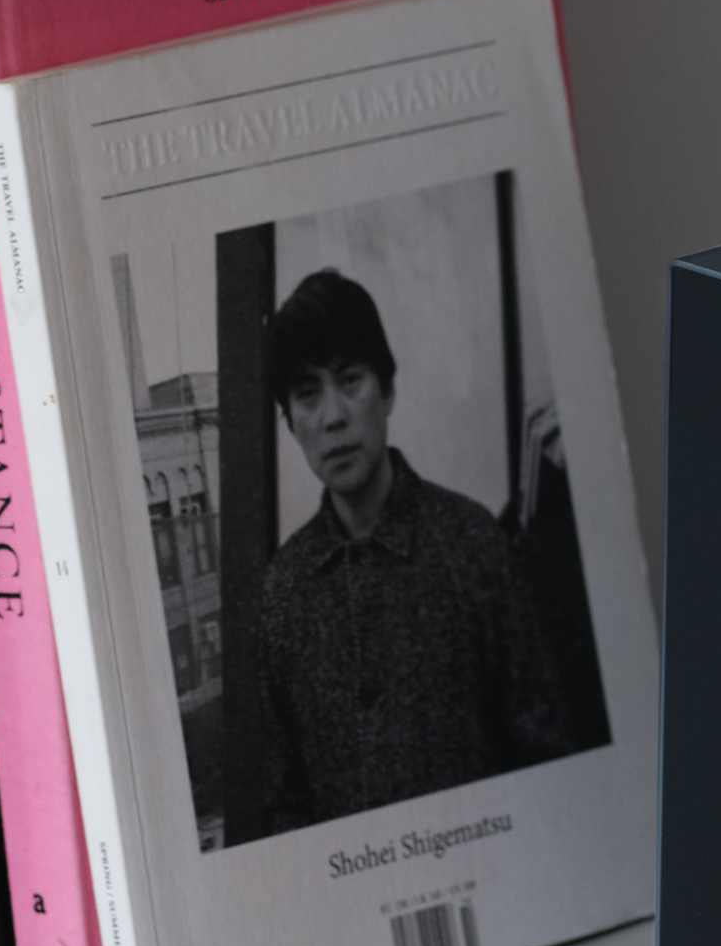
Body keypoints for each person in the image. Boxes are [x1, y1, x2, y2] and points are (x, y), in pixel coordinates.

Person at [243, 265, 580, 832]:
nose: (333, 416)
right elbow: (283, 804)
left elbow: (547, 762)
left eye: (350, 380)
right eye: (307, 394)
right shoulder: (283, 590)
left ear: (388, 390)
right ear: (290, 422)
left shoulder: (474, 544)